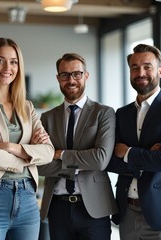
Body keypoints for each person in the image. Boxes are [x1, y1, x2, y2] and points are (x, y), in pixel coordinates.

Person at [0, 37, 54, 240]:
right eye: (0, 60)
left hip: (28, 199)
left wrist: (11, 147)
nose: (7, 67)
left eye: (13, 61)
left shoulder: (27, 106)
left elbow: (48, 152)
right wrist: (30, 155)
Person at [106, 43, 161, 239]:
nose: (140, 72)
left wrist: (127, 153)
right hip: (126, 211)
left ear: (160, 71)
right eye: (134, 67)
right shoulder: (122, 113)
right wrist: (149, 157)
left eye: (147, 66)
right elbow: (110, 161)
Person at [37, 53, 118, 240]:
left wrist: (60, 155)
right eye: (65, 75)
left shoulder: (103, 113)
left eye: (77, 74)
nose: (71, 80)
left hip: (94, 209)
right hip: (57, 207)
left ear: (86, 76)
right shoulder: (47, 118)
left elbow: (100, 159)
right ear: (58, 78)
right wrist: (79, 162)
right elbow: (40, 165)